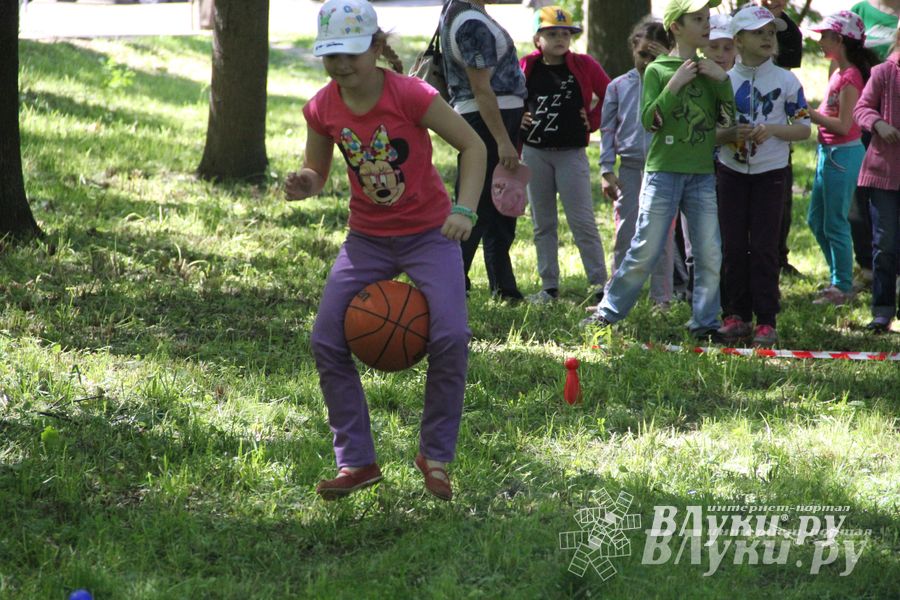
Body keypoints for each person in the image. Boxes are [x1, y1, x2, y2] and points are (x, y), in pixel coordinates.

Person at [288, 0, 487, 502]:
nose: (341, 65)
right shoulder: (322, 106)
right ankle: (356, 461)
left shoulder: (411, 95)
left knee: (450, 336)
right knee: (326, 339)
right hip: (367, 241)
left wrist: (463, 210)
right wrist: (304, 182)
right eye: (331, 56)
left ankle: (435, 456)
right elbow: (318, 171)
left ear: (377, 48)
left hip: (430, 236)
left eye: (352, 53)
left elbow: (473, 146)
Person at [583, 0, 735, 342]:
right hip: (663, 174)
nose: (706, 24)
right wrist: (674, 84)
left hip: (701, 176)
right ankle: (607, 314)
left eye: (707, 18)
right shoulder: (658, 70)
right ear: (676, 27)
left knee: (709, 250)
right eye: (698, 19)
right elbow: (650, 120)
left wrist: (723, 81)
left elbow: (728, 123)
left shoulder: (711, 71)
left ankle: (705, 323)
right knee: (645, 248)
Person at [715, 6, 811, 346]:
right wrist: (729, 134)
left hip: (772, 173)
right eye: (759, 32)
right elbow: (710, 132)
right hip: (730, 172)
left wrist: (770, 129)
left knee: (766, 246)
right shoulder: (723, 81)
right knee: (733, 244)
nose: (768, 37)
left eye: (771, 32)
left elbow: (803, 129)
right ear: (738, 40)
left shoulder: (787, 80)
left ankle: (767, 320)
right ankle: (735, 315)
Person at [519, 6, 610, 304]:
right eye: (552, 33)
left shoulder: (583, 64)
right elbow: (508, 97)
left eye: (565, 33)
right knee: (542, 222)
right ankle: (549, 286)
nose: (560, 38)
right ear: (537, 38)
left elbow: (610, 94)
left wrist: (593, 120)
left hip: (571, 153)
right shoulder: (526, 66)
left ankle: (600, 286)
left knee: (582, 220)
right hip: (535, 153)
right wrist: (517, 117)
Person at [440, 0, 529, 301]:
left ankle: (504, 288)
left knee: (500, 207)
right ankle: (453, 283)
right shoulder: (470, 22)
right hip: (489, 121)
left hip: (494, 119)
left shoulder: (462, 12)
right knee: (474, 204)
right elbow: (482, 89)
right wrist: (503, 140)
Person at [599, 17, 675, 310]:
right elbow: (606, 130)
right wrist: (606, 169)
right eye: (643, 54)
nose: (648, 62)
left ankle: (661, 300)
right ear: (634, 48)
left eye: (655, 57)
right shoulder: (618, 86)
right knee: (625, 234)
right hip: (629, 169)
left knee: (662, 237)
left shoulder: (673, 85)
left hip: (663, 169)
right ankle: (616, 296)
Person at [807, 11, 879, 306]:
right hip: (829, 153)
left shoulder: (851, 77)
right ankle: (842, 276)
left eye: (824, 36)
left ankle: (842, 286)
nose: (820, 42)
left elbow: (844, 124)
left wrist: (805, 113)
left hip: (844, 155)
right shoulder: (837, 72)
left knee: (835, 222)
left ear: (839, 39)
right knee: (816, 220)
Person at [853, 22, 900, 332]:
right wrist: (878, 124)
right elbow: (861, 108)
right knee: (885, 244)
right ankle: (882, 310)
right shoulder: (884, 72)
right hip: (884, 173)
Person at [754, 0, 805, 277]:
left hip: (774, 130)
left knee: (779, 201)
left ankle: (778, 258)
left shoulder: (790, 31)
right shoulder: (740, 19)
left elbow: (787, 83)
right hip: (736, 136)